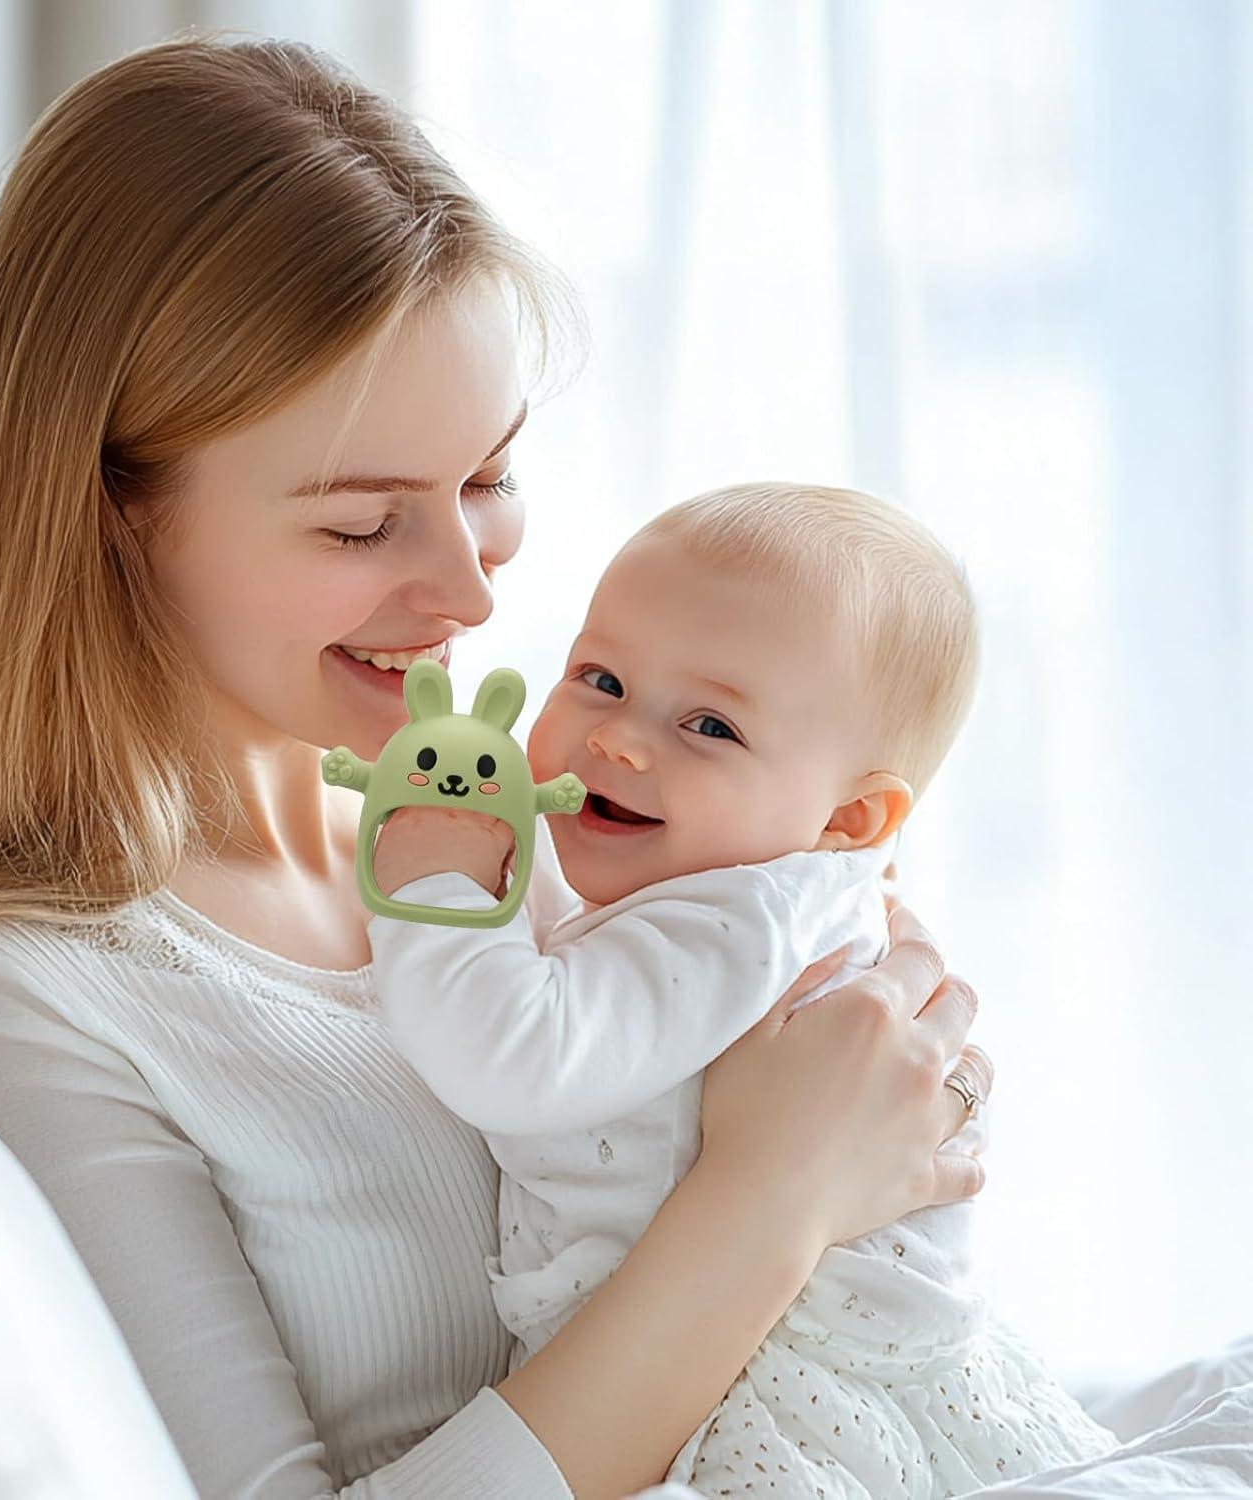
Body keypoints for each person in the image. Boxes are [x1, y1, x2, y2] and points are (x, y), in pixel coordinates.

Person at [0, 34, 989, 1499]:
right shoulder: (22, 1002)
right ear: (108, 509)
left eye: (488, 480)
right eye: (363, 526)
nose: (472, 595)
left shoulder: (538, 824)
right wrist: (774, 1200)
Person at [364, 483, 1115, 1497]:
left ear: (848, 821)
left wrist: (439, 889)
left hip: (766, 1391)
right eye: (601, 677)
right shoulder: (743, 893)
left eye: (710, 726)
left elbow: (516, 1057)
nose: (620, 740)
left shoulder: (738, 917)